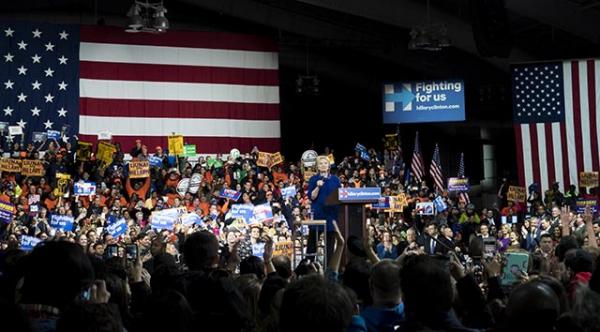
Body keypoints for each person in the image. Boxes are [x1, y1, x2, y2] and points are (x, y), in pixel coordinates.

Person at [306, 155, 341, 261]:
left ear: (329, 166)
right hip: (318, 215)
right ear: (317, 166)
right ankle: (309, 265)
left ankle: (329, 268)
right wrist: (318, 187)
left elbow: (340, 195)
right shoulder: (313, 179)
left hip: (332, 215)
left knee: (330, 245)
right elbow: (312, 197)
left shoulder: (335, 179)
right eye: (321, 163)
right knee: (312, 243)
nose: (323, 165)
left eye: (325, 163)